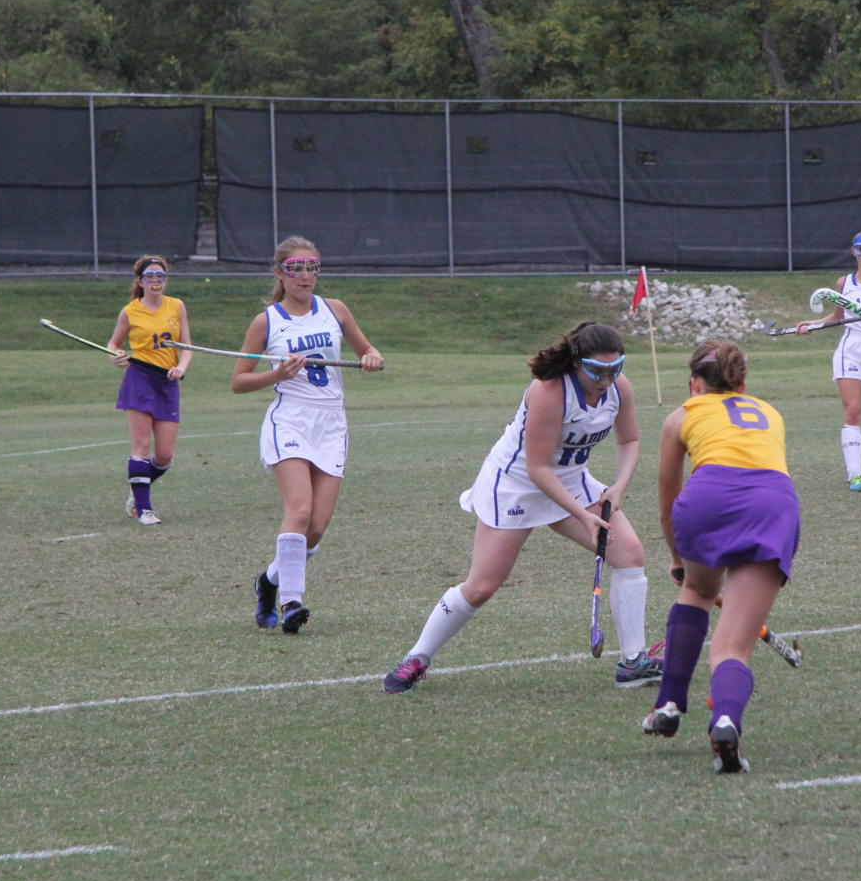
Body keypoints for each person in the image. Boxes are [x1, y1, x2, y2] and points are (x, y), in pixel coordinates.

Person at [381, 322, 662, 693]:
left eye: (616, 368)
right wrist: (581, 514)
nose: (607, 380)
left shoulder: (617, 389)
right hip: (515, 484)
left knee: (629, 553)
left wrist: (618, 488)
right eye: (597, 371)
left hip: (571, 480)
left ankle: (632, 662)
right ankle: (417, 658)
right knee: (481, 586)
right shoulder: (549, 391)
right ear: (578, 363)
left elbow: (631, 440)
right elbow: (538, 468)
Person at [641, 340, 799, 774]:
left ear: (694, 383)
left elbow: (668, 501)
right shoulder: (769, 412)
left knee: (696, 590)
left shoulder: (682, 416)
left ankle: (668, 704)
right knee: (732, 647)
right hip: (772, 504)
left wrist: (677, 555)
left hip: (706, 498)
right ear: (742, 382)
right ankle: (726, 720)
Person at [232, 235, 384, 634]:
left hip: (332, 424)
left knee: (315, 528)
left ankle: (268, 582)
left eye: (312, 266)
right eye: (296, 268)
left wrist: (371, 357)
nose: (305, 276)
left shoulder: (335, 310)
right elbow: (239, 381)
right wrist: (276, 374)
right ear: (281, 273)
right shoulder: (268, 321)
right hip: (291, 421)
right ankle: (291, 603)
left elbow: (369, 350)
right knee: (298, 511)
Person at [792, 230, 861, 491]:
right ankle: (855, 474)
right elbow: (836, 317)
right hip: (851, 347)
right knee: (852, 412)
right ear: (854, 251)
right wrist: (812, 325)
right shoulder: (844, 283)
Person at [108, 255, 192, 526]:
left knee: (165, 455)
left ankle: (137, 488)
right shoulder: (130, 311)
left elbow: (187, 346)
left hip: (167, 382)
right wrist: (116, 356)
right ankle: (144, 509)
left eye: (160, 277)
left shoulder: (177, 306)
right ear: (140, 282)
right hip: (140, 378)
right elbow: (113, 344)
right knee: (141, 446)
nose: (156, 282)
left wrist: (181, 367)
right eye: (150, 277)